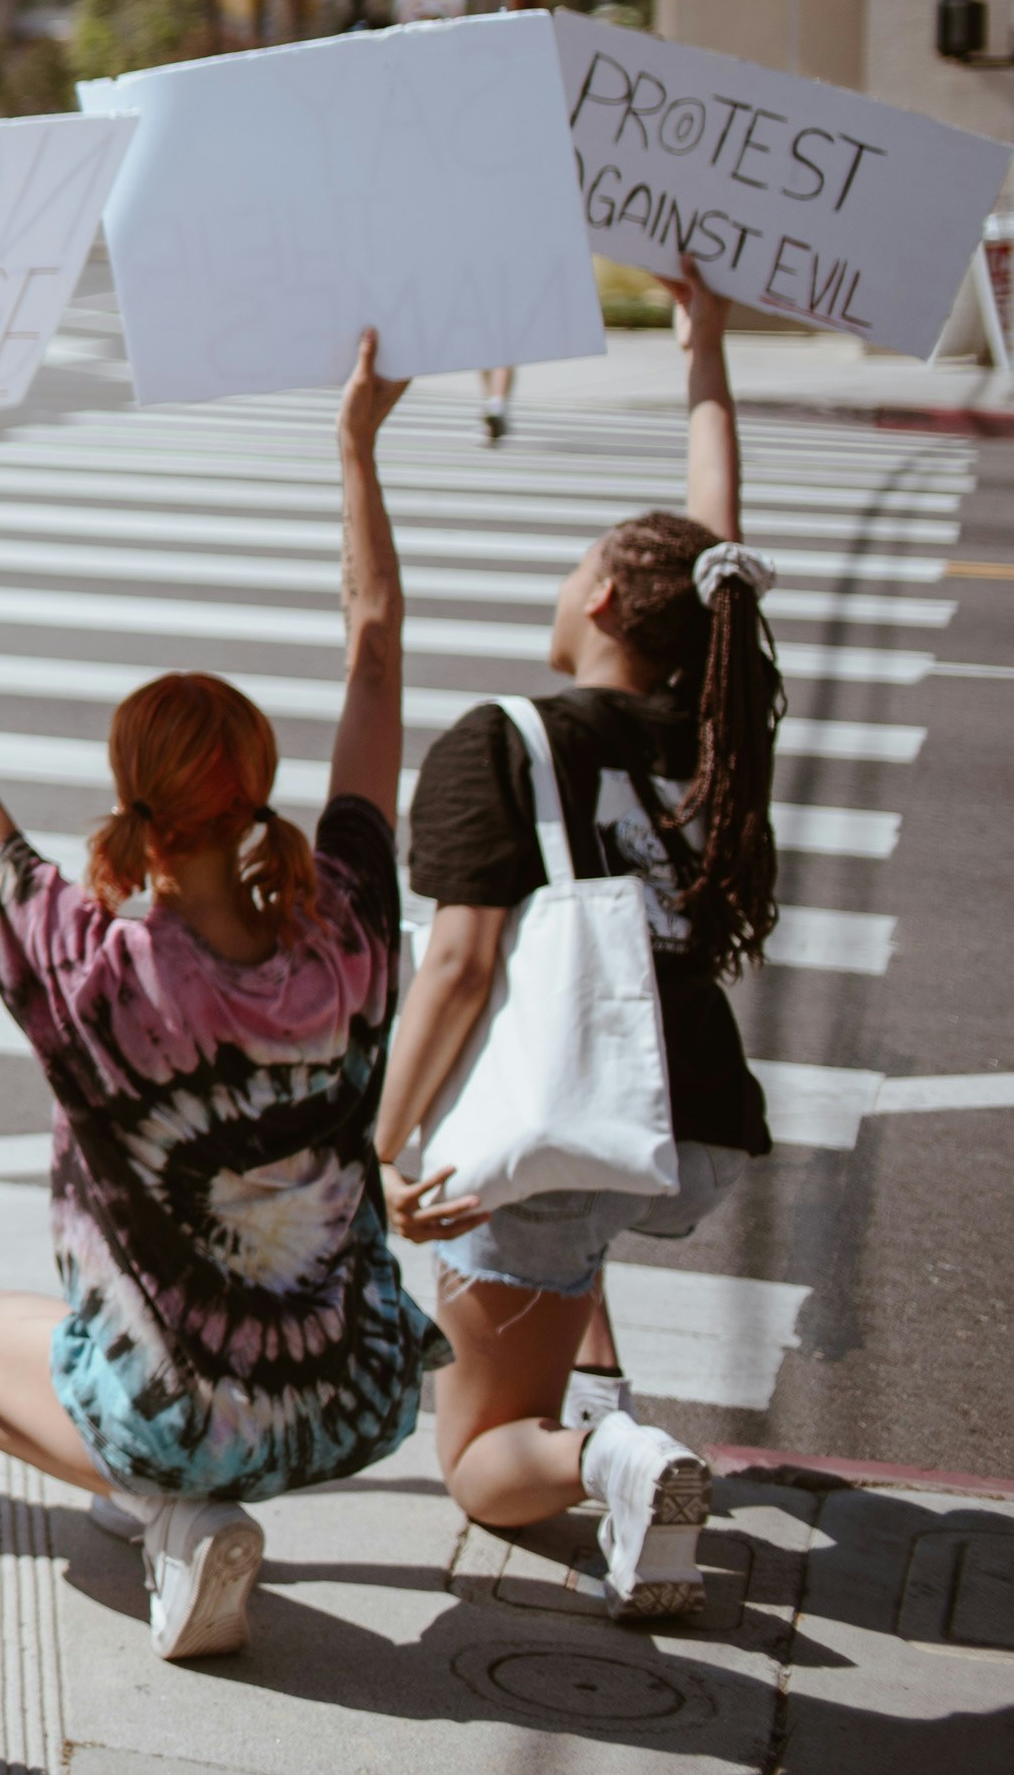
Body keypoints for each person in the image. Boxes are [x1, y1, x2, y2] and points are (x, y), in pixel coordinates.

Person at [0, 335, 443, 1663]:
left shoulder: (94, 976)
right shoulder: (353, 932)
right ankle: (174, 1505)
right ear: (257, 789)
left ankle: (164, 1508)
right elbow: (376, 652)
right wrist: (355, 446)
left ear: (136, 809)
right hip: (359, 1397)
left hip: (184, 1415)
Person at [380, 264, 779, 1621]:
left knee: (482, 1460)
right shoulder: (714, 725)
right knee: (567, 1242)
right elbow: (716, 552)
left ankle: (609, 1456)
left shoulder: (506, 739)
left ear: (607, 602)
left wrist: (387, 1144)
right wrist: (705, 354)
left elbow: (462, 967)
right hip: (692, 1103)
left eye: (584, 561)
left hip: (565, 1116)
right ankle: (603, 1408)